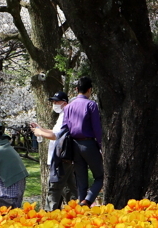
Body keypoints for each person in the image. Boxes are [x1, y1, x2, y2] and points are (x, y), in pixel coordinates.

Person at [60, 76, 104, 206]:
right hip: (88, 143)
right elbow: (97, 128)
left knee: (81, 179)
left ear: (76, 89)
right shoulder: (91, 105)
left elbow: (64, 128)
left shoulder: (68, 107)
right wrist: (101, 145)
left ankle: (81, 204)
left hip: (74, 144)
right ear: (90, 90)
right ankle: (88, 200)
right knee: (100, 176)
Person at [30, 91, 76, 210]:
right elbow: (54, 132)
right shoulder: (63, 115)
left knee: (55, 187)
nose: (54, 104)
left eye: (56, 101)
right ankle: (75, 212)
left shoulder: (65, 114)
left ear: (65, 103)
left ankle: (49, 214)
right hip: (63, 157)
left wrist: (40, 133)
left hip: (60, 157)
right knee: (70, 189)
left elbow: (57, 136)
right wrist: (41, 129)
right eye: (53, 102)